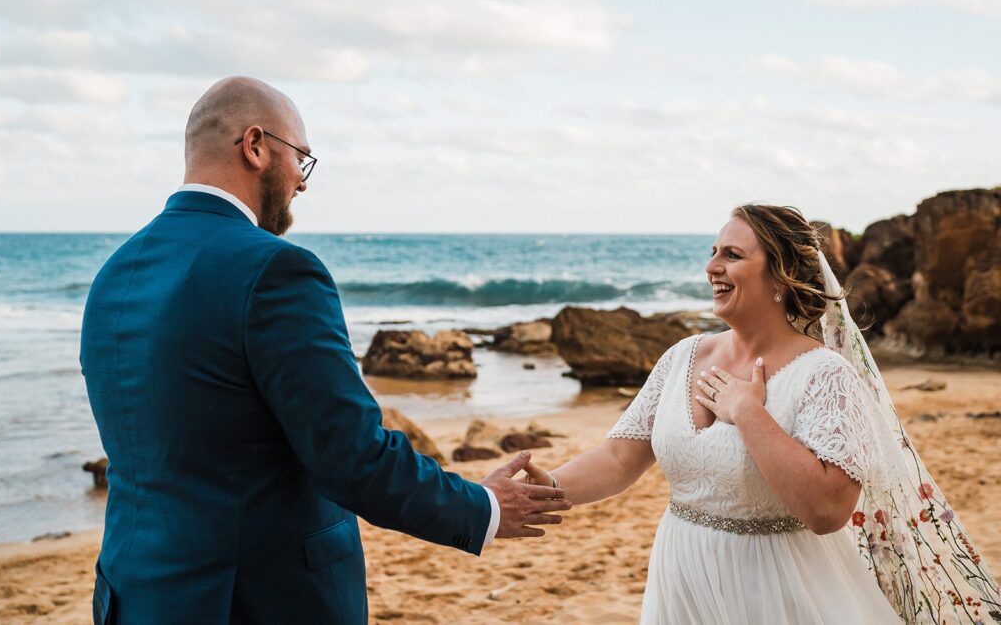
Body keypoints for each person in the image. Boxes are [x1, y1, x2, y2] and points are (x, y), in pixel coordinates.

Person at [79, 76, 570, 625]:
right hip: (257, 602)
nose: (303, 183)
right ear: (256, 146)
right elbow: (352, 456)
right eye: (301, 160)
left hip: (134, 595)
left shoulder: (112, 276)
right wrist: (483, 507)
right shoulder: (276, 270)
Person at [524, 204, 1000, 624]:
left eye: (732, 255)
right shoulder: (681, 357)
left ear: (780, 276)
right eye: (714, 252)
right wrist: (544, 489)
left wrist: (749, 414)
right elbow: (618, 459)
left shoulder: (824, 375)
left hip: (780, 591)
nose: (712, 266)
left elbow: (828, 509)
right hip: (682, 579)